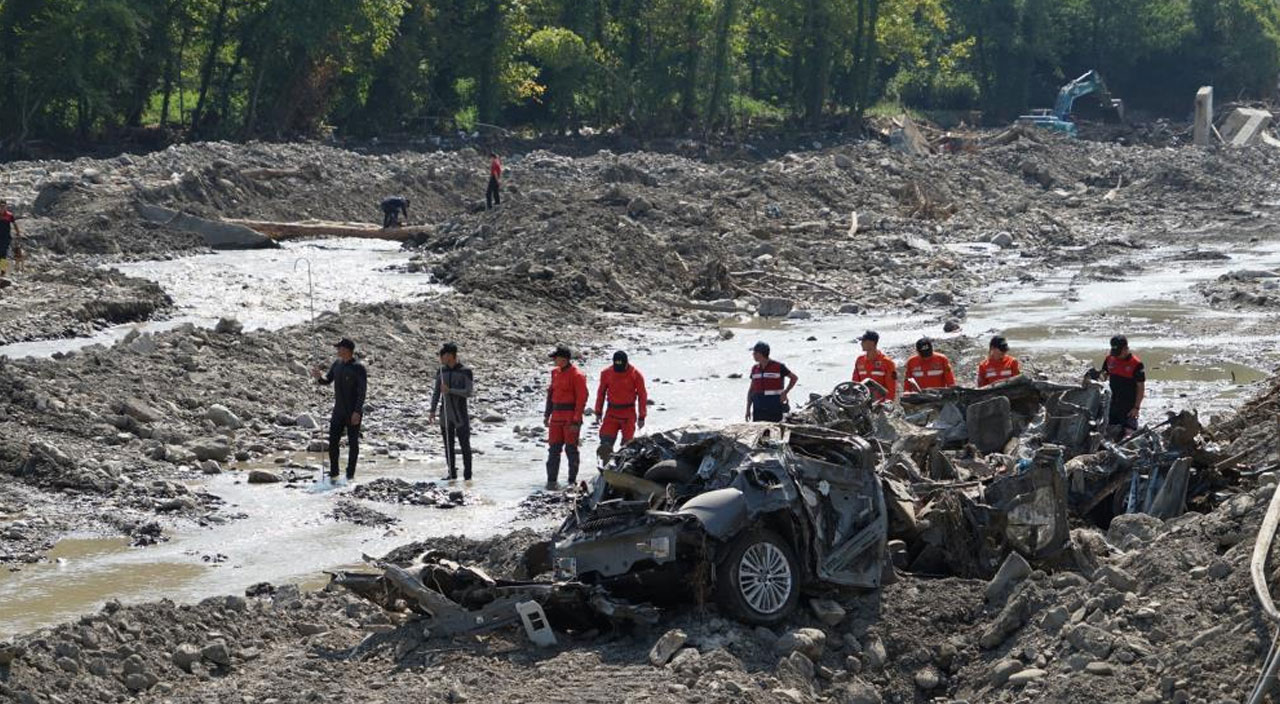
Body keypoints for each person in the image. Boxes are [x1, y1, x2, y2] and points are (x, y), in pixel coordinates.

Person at [311, 338, 368, 483]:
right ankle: (334, 473)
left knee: (353, 443)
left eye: (339, 348)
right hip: (338, 411)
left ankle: (350, 475)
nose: (337, 350)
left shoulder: (358, 367)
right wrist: (319, 377)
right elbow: (327, 380)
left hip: (353, 412)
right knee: (333, 442)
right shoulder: (337, 364)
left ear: (347, 350)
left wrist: (357, 411)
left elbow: (362, 392)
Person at [545, 345, 588, 488]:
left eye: (555, 358)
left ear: (563, 359)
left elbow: (581, 399)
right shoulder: (555, 373)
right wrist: (547, 415)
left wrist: (576, 420)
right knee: (553, 450)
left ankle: (571, 482)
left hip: (570, 417)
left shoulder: (577, 375)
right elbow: (550, 395)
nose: (553, 360)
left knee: (571, 450)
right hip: (556, 416)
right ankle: (551, 481)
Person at [430, 342, 474, 481]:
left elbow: (468, 392)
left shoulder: (465, 371)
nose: (440, 358)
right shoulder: (441, 371)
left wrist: (450, 391)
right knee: (448, 446)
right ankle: (452, 474)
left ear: (450, 356)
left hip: (460, 415)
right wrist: (432, 410)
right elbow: (437, 392)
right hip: (445, 415)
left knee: (465, 446)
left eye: (442, 355)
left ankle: (468, 477)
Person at [594, 350, 648, 463]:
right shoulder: (606, 373)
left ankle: (622, 468)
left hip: (628, 413)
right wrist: (598, 412)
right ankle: (605, 468)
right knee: (605, 443)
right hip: (611, 412)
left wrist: (641, 417)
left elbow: (642, 396)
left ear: (626, 363)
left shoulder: (636, 374)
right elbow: (601, 393)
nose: (619, 369)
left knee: (627, 446)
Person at [1086, 334, 1145, 437]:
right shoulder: (1110, 359)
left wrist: (1136, 407)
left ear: (1126, 349)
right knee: (1105, 430)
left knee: (1129, 433)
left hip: (1128, 404)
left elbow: (1141, 387)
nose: (1116, 355)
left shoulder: (1136, 364)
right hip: (1112, 402)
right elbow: (1104, 376)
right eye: (1114, 352)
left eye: (1119, 352)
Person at [745, 341, 798, 422]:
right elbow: (751, 390)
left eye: (755, 353)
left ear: (761, 354)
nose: (753, 355)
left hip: (774, 406)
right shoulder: (755, 369)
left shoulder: (778, 366)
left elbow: (794, 378)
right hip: (758, 407)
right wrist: (748, 409)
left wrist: (785, 392)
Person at [852, 330, 897, 402]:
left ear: (871, 343)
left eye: (863, 341)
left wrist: (888, 403)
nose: (861, 344)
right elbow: (855, 382)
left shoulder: (887, 362)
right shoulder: (859, 360)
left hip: (880, 404)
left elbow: (891, 387)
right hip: (863, 402)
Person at [0, 200, 20, 277]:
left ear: (6, 206)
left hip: (6, 237)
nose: (2, 208)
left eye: (3, 206)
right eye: (1, 206)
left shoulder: (9, 215)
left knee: (3, 254)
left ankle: (2, 270)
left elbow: (14, 224)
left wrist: (18, 233)